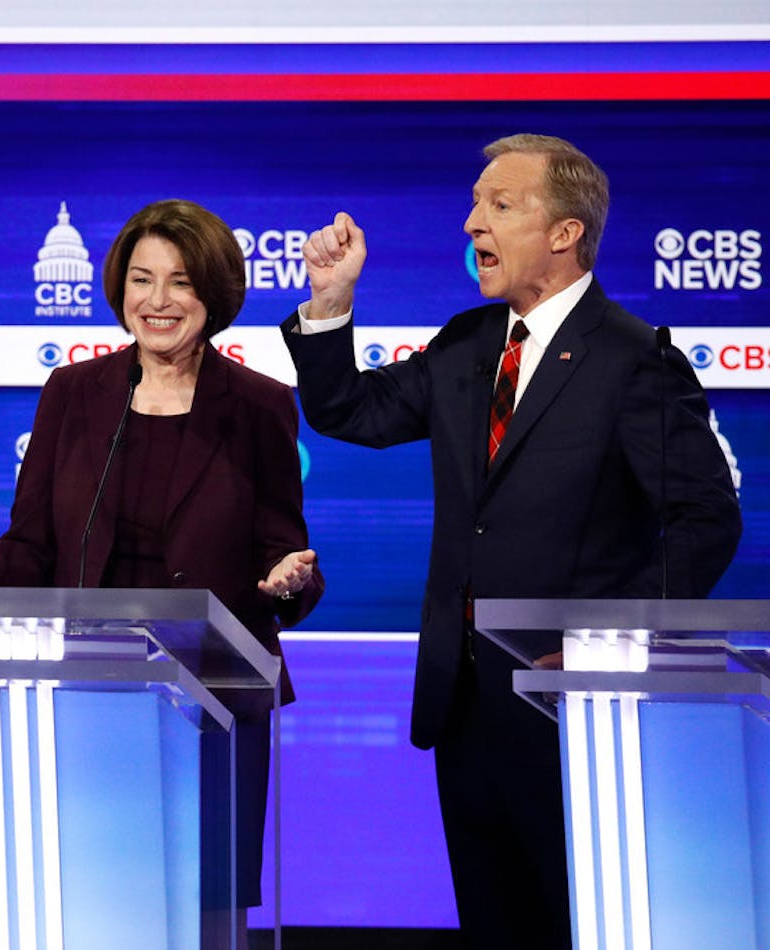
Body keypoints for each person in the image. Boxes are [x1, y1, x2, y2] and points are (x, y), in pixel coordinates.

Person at [282, 134, 741, 948]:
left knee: (578, 924)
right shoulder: (467, 344)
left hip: (577, 711)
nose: (471, 224)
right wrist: (327, 305)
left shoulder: (636, 360)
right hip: (464, 706)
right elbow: (352, 411)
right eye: (473, 204)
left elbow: (708, 521)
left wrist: (608, 642)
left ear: (565, 233)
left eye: (499, 204)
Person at [0, 198, 323, 941]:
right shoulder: (75, 395)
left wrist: (291, 577)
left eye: (180, 282)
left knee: (206, 913)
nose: (157, 302)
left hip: (215, 701)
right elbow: (30, 546)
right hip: (87, 692)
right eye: (141, 279)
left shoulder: (258, 406)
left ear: (213, 294)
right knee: (90, 904)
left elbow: (284, 551)